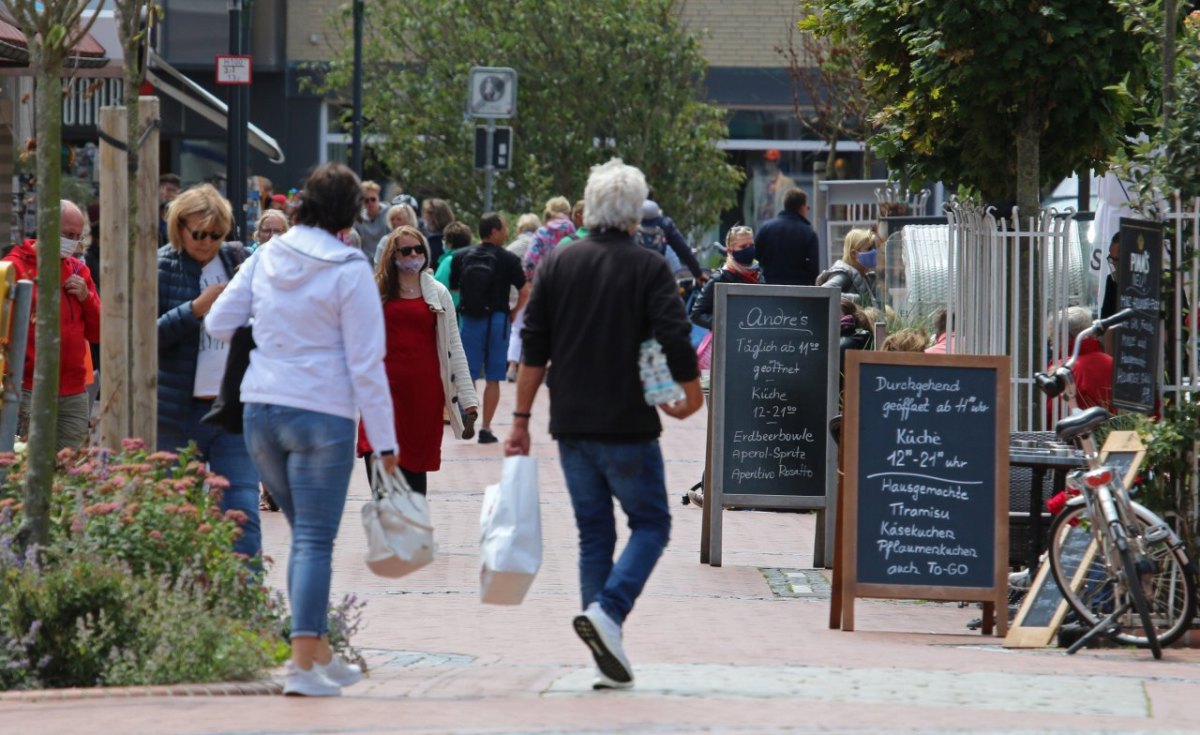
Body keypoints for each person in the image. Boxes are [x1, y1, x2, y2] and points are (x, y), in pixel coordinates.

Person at [505, 158, 703, 690]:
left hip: (569, 421)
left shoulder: (559, 265)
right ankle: (609, 614)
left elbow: (533, 347)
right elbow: (674, 332)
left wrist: (520, 420)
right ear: (635, 212)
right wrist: (691, 392)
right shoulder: (647, 266)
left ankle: (604, 655)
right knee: (653, 524)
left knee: (594, 534)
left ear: (589, 208)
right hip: (628, 422)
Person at [206, 162, 398, 698]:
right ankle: (302, 669)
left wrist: (275, 331)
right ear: (351, 212)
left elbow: (220, 322)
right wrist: (385, 444)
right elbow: (367, 363)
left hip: (260, 409)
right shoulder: (349, 267)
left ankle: (320, 654)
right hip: (322, 412)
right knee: (314, 539)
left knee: (304, 537)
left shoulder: (267, 255)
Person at [156, 184, 261, 561]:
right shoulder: (160, 266)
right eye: (199, 233)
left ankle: (245, 601)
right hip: (177, 415)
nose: (207, 242)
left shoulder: (240, 262)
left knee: (243, 508)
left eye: (216, 234)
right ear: (179, 227)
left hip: (233, 410)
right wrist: (195, 309)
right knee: (174, 515)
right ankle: (179, 601)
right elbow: (144, 338)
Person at [356, 225, 479, 493]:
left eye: (418, 249)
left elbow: (453, 347)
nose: (413, 255)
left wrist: (468, 400)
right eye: (406, 250)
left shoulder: (438, 293)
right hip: (381, 394)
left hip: (423, 398)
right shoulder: (374, 290)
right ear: (393, 254)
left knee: (413, 485)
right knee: (380, 474)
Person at [4, 200, 100, 450]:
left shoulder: (79, 271)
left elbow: (99, 333)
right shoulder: (13, 268)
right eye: (68, 235)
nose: (73, 243)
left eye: (78, 237)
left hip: (73, 393)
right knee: (22, 470)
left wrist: (86, 298)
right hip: (26, 389)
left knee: (70, 473)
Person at [450, 213, 529, 444]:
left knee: (468, 374)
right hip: (498, 319)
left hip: (471, 319)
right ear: (494, 231)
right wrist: (514, 312)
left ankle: (468, 413)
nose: (507, 232)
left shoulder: (461, 256)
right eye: (504, 228)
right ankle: (485, 428)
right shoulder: (508, 259)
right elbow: (525, 291)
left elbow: (455, 291)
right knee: (494, 377)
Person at [689, 225, 762, 331]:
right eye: (743, 247)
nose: (749, 249)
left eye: (751, 245)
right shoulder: (720, 278)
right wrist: (725, 324)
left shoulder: (758, 274)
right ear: (730, 251)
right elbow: (696, 314)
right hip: (727, 342)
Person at [1047, 306, 1113, 415]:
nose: (1051, 342)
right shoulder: (1111, 363)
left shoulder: (1064, 369)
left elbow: (1051, 414)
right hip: (1120, 431)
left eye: (1052, 335)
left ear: (1064, 336)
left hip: (1077, 431)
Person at [754, 187, 820, 287]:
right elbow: (814, 269)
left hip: (768, 288)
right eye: (807, 207)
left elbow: (755, 257)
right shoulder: (808, 233)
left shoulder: (766, 228)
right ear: (802, 207)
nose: (807, 210)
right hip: (799, 291)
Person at [504, 213, 542, 380]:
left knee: (516, 330)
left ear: (520, 228)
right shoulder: (542, 244)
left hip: (517, 295)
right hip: (538, 292)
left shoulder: (512, 247)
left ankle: (512, 366)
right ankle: (533, 369)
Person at [637, 199, 706, 282]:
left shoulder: (629, 224)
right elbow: (683, 250)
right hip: (657, 276)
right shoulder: (665, 223)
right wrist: (698, 273)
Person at [817, 228, 881, 306]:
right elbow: (824, 293)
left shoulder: (865, 276)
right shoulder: (844, 274)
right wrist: (857, 300)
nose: (874, 252)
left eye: (874, 248)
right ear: (853, 254)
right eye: (869, 249)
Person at [521, 196, 575, 280]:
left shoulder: (541, 232)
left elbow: (529, 260)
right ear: (567, 213)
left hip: (545, 281)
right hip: (568, 281)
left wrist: (532, 278)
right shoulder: (571, 229)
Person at [434, 220, 473, 308]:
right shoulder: (473, 259)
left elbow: (437, 287)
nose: (443, 241)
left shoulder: (449, 261)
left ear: (450, 242)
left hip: (452, 312)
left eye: (444, 238)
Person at [353, 180, 389, 263]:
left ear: (378, 198)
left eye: (373, 199)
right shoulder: (358, 219)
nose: (370, 203)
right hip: (366, 262)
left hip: (386, 260)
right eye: (366, 201)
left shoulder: (389, 213)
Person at [421, 198, 455, 263]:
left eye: (430, 213)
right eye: (425, 212)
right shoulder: (426, 237)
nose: (426, 216)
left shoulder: (454, 236)